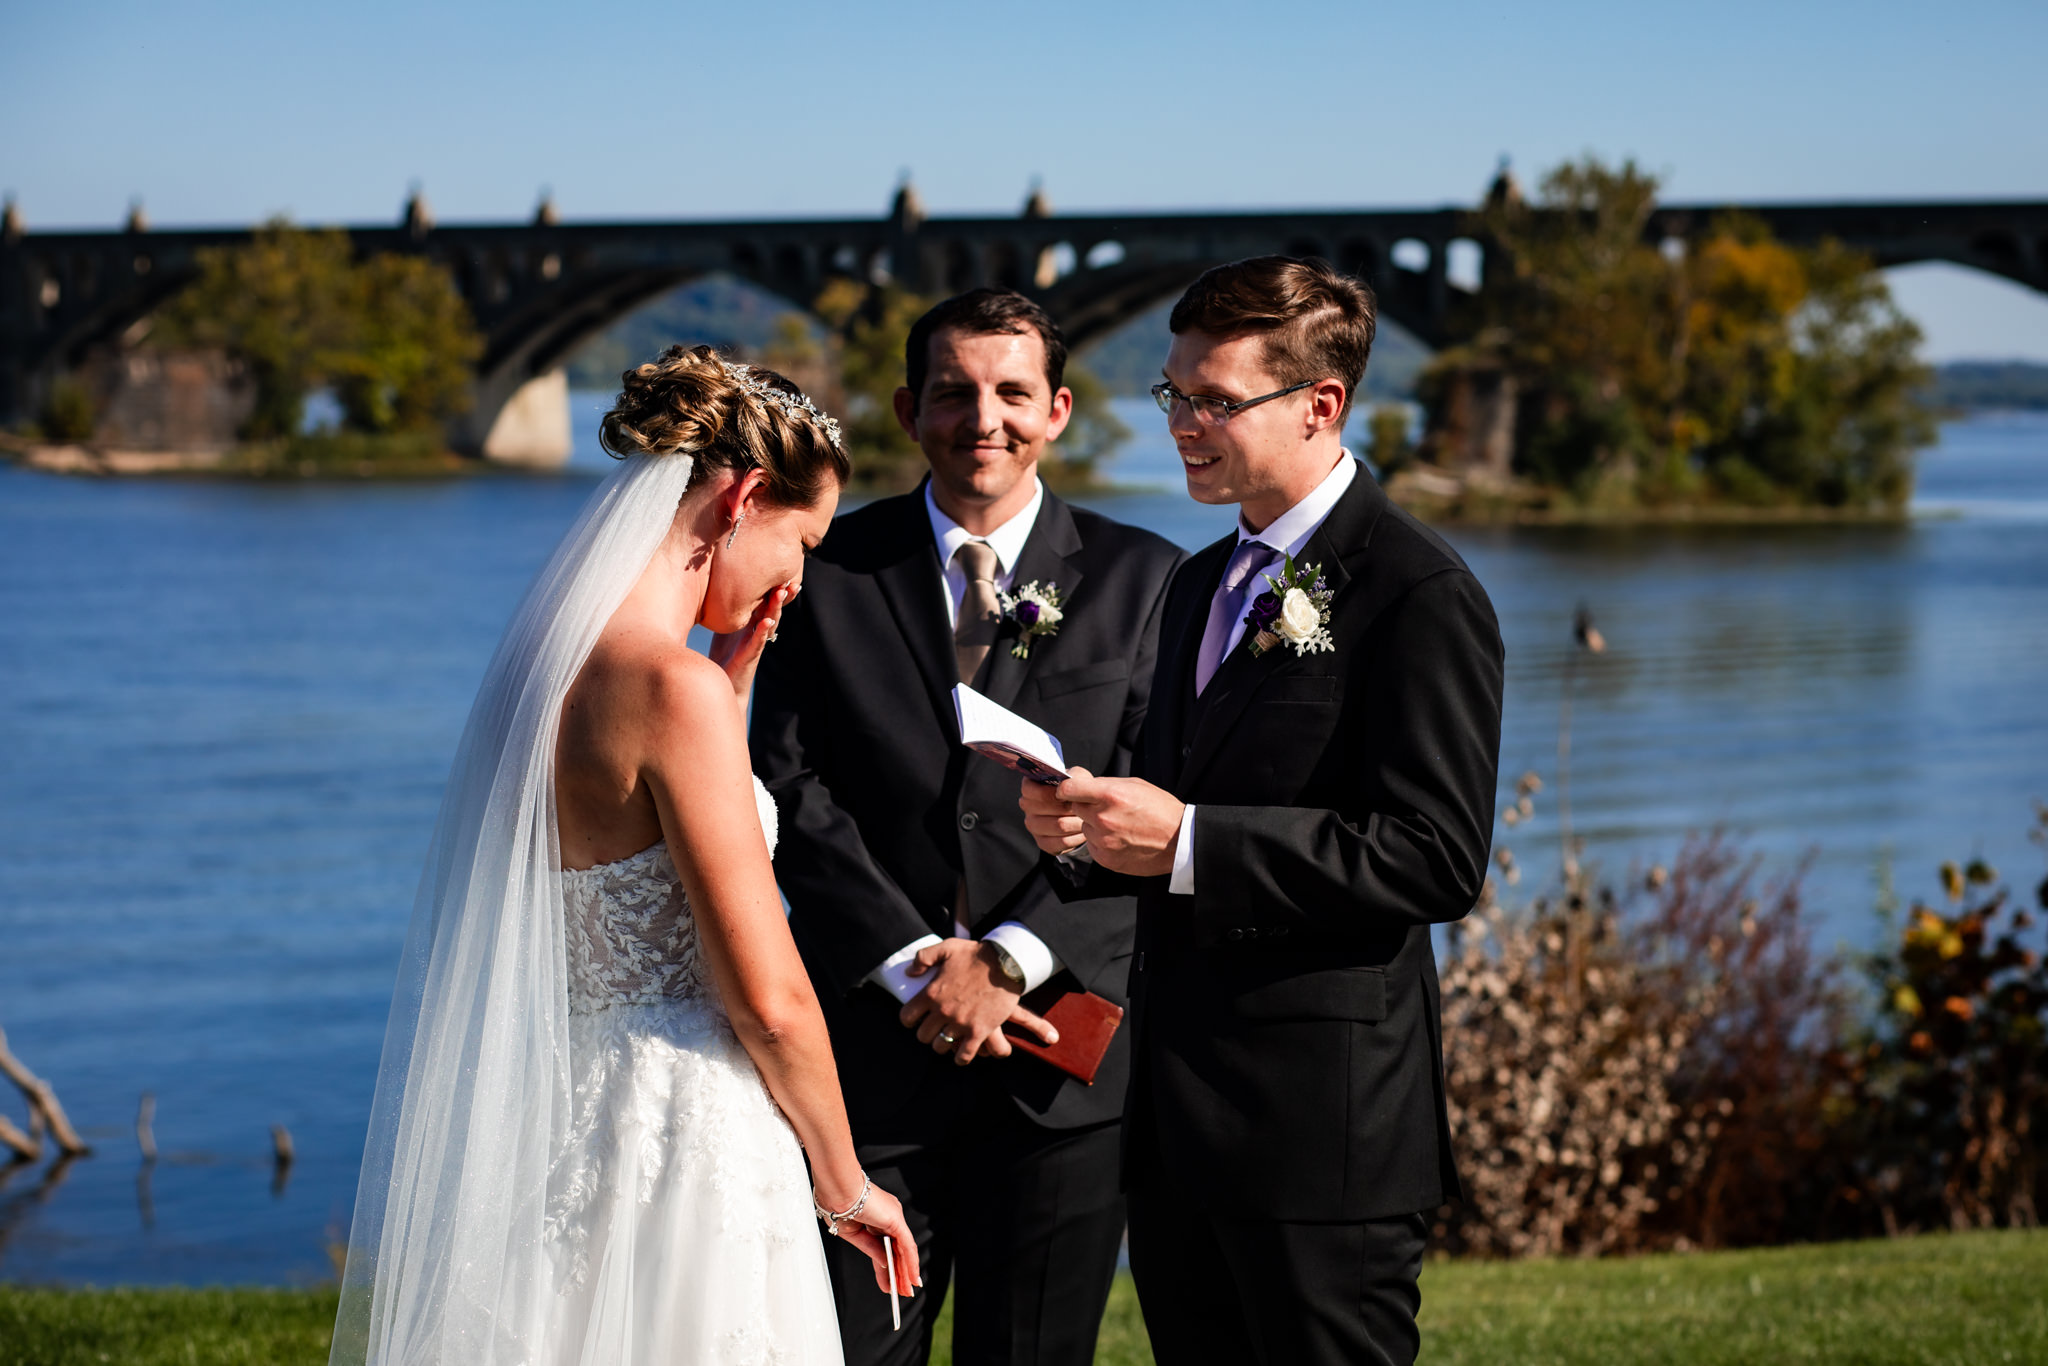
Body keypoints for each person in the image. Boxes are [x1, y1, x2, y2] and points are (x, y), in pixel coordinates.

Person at [332, 346, 918, 1366]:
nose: (800, 575)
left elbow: (623, 849)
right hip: (682, 1124)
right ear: (739, 499)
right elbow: (764, 993)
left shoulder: (546, 666)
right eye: (803, 539)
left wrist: (726, 692)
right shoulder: (668, 690)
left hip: (560, 1113)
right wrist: (844, 1175)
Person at [1021, 258, 1505, 1366]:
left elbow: (1433, 858)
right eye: (1173, 395)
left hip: (1320, 1136)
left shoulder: (1416, 593)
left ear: (1319, 405)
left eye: (1214, 402)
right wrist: (1089, 832)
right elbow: (1174, 814)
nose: (1182, 426)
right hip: (1177, 1123)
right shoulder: (1195, 584)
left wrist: (1186, 839)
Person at [751, 289, 1184, 1366]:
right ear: (908, 409)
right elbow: (787, 784)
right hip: (869, 1062)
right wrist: (910, 965)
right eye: (951, 392)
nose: (979, 417)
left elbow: (1150, 794)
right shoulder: (826, 568)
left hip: (1059, 1065)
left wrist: (1007, 956)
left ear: (1057, 412)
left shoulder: (1146, 580)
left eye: (1009, 392)